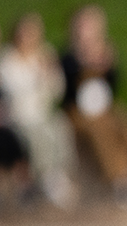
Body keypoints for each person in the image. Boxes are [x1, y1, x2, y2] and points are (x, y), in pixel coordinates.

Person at [59, 4, 127, 208]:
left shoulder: (105, 53)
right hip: (77, 110)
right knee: (100, 132)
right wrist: (84, 62)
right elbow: (65, 92)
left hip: (104, 109)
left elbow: (111, 89)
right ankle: (122, 183)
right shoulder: (68, 57)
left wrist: (109, 66)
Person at [0, 12, 77, 209]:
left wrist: (50, 73)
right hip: (19, 115)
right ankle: (46, 176)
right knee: (37, 135)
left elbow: (57, 91)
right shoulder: (7, 59)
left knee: (60, 126)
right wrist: (38, 78)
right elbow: (13, 90)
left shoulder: (44, 55)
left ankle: (59, 173)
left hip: (42, 113)